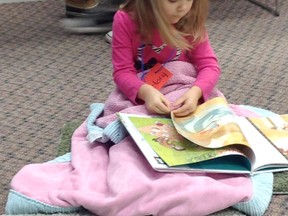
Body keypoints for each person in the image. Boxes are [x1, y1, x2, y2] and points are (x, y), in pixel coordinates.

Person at [111, 0, 221, 117]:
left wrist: (196, 92)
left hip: (183, 85)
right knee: (121, 114)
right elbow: (122, 72)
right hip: (142, 88)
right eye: (172, 0)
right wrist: (146, 92)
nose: (182, 7)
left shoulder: (189, 18)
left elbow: (209, 65)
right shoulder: (126, 20)